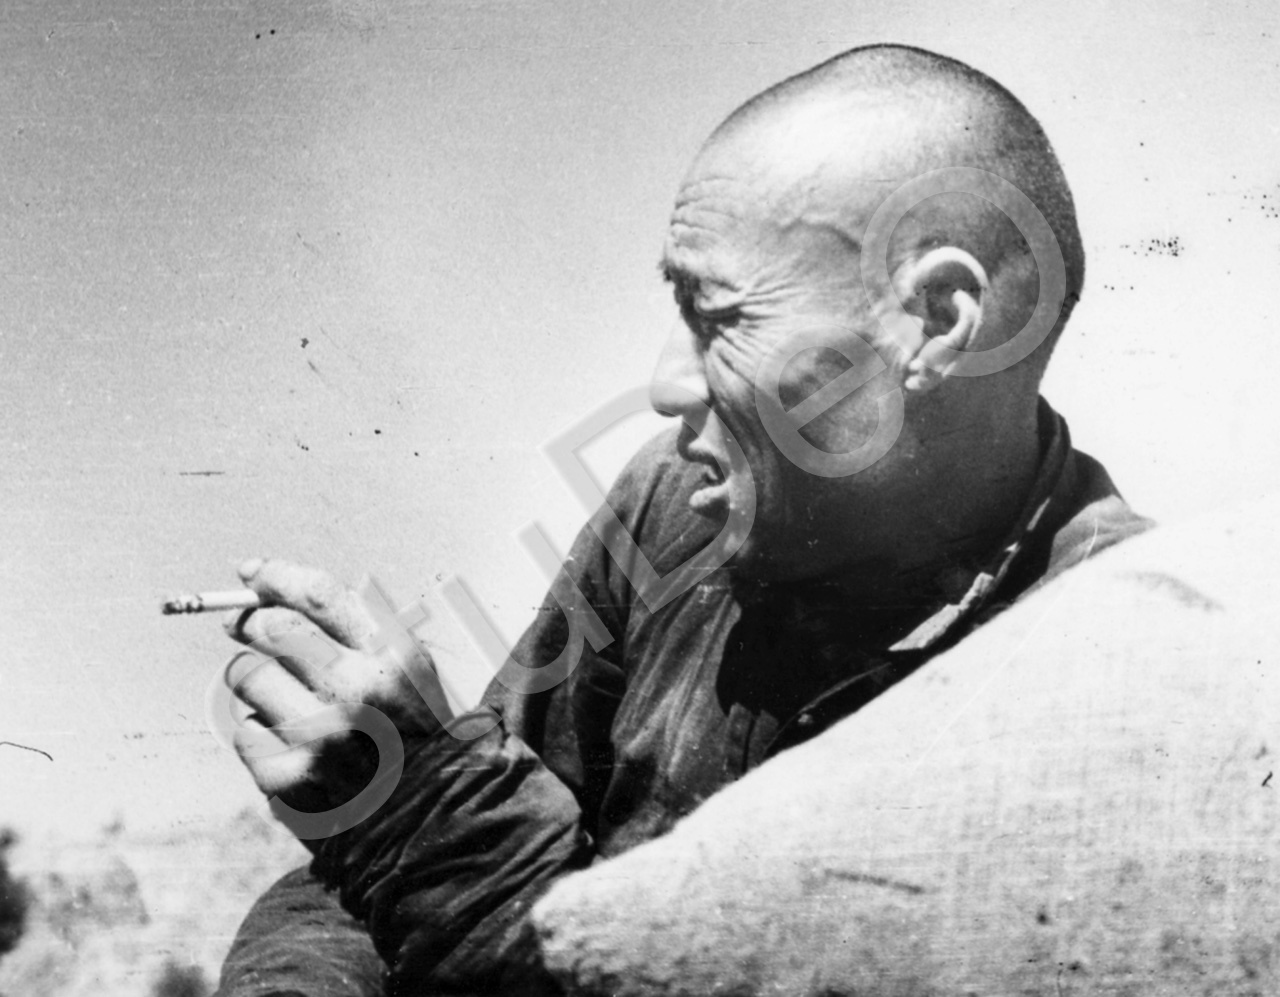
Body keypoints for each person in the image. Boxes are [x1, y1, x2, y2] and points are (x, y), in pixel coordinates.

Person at [213, 43, 1152, 996]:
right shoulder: (680, 512)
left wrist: (426, 818)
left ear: (936, 322)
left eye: (718, 315)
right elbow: (370, 891)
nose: (666, 385)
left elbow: (441, 854)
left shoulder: (1115, 688)